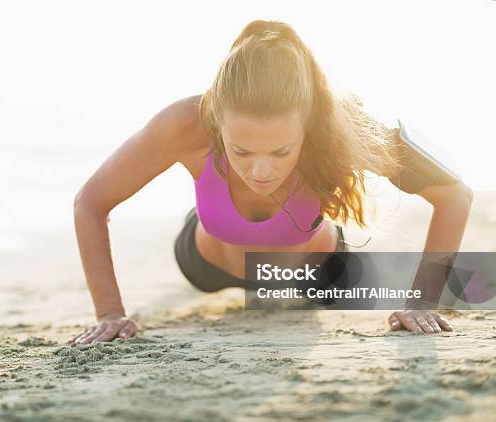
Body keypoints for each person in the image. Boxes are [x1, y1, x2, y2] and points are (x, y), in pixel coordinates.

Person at [68, 20, 473, 345]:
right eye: (241, 152)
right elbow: (91, 202)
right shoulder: (184, 125)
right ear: (216, 122)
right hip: (206, 266)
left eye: (281, 152)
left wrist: (422, 301)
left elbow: (454, 195)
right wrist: (109, 313)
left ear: (308, 125)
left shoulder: (339, 126)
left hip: (316, 274)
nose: (261, 171)